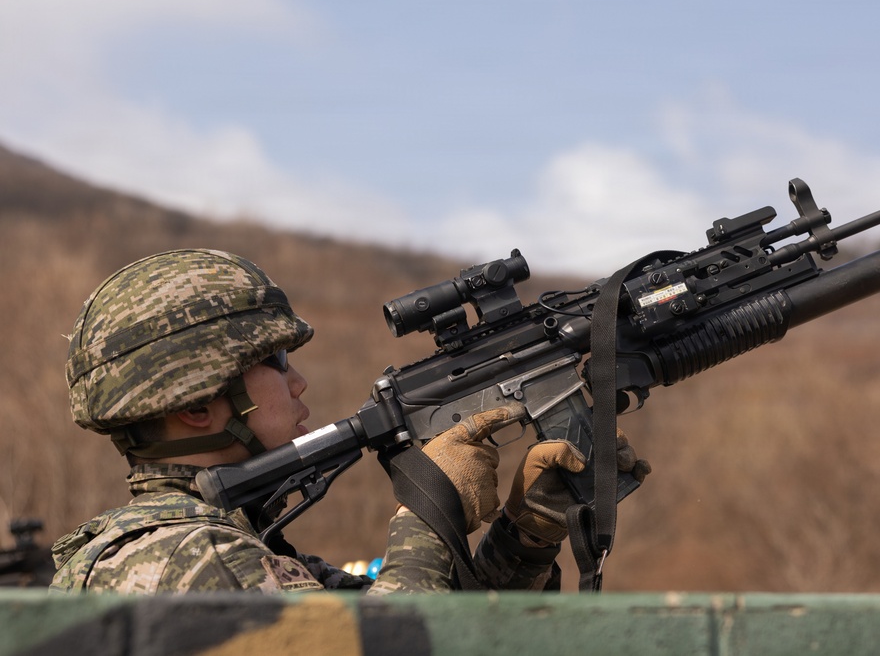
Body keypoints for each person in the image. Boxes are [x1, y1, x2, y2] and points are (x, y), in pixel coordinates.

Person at [49, 248, 649, 594]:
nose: (297, 382)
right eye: (275, 362)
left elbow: (454, 636)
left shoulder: (232, 550)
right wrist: (427, 511)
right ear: (198, 405)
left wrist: (525, 538)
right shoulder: (188, 561)